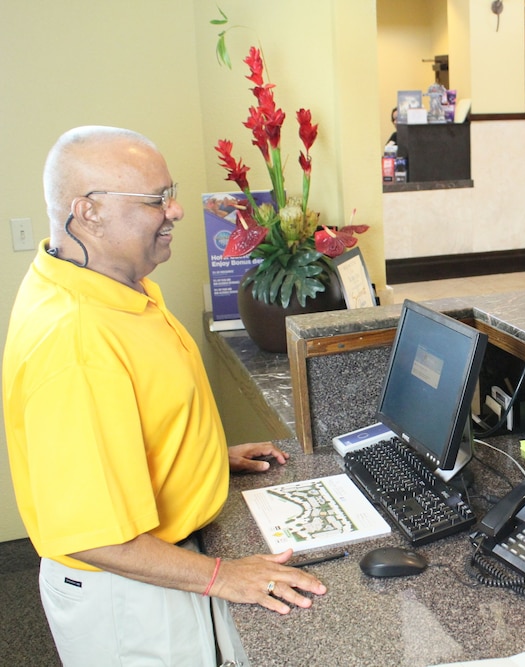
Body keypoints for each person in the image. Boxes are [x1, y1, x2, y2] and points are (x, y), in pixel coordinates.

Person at [2, 126, 328, 666]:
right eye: (156, 200)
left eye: (170, 194)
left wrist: (198, 457)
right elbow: (92, 536)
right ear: (89, 212)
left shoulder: (108, 284)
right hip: (128, 595)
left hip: (156, 565)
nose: (175, 211)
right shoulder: (75, 343)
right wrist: (226, 576)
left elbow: (122, 421)